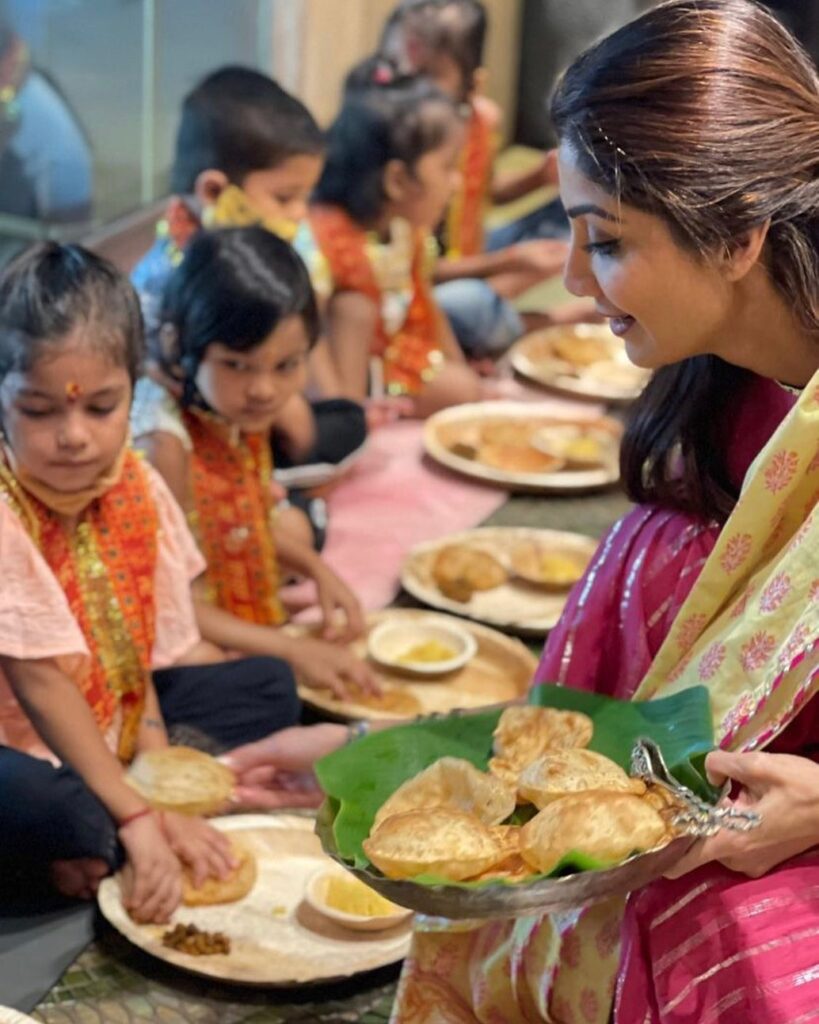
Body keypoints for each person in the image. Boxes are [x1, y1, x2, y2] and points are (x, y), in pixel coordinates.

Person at [226, 1, 819, 1019]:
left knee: (730, 951)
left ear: (738, 236)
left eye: (606, 240)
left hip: (764, 870)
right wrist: (379, 756)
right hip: (676, 835)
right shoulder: (715, 405)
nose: (574, 279)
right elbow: (615, 732)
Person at [0, 242, 305, 923]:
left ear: (134, 393)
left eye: (101, 408)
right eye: (40, 411)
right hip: (18, 740)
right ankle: (91, 835)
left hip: (104, 718)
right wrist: (142, 815)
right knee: (44, 805)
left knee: (268, 686)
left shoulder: (134, 486)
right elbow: (41, 681)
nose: (74, 436)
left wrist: (161, 781)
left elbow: (134, 663)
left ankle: (91, 836)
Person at [132, 226, 377, 700]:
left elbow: (244, 523)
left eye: (286, 366)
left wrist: (316, 569)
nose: (265, 389)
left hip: (210, 583)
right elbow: (172, 602)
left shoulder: (228, 402)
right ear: (180, 342)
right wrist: (289, 648)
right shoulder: (164, 444)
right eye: (237, 365)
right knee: (256, 683)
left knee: (293, 527)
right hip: (168, 616)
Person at [130, 65, 368, 546]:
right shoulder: (172, 280)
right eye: (285, 197)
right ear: (214, 192)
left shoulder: (241, 249)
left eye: (305, 197)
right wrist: (283, 404)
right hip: (205, 436)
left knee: (346, 420)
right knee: (301, 518)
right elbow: (187, 391)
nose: (300, 214)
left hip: (247, 420)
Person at [379, 0, 593, 358]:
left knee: (576, 212)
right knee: (466, 305)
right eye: (398, 72)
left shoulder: (479, 122)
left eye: (427, 77)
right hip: (420, 277)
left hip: (471, 250)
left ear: (473, 84)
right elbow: (411, 266)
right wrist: (512, 261)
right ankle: (543, 316)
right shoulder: (393, 143)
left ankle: (504, 289)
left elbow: (482, 193)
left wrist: (537, 178)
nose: (411, 93)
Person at [310, 61, 484, 415]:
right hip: (343, 376)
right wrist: (339, 419)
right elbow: (308, 340)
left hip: (397, 354)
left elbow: (428, 308)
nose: (456, 183)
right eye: (447, 167)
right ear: (397, 180)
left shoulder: (407, 232)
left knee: (465, 386)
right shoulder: (324, 237)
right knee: (354, 308)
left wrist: (460, 368)